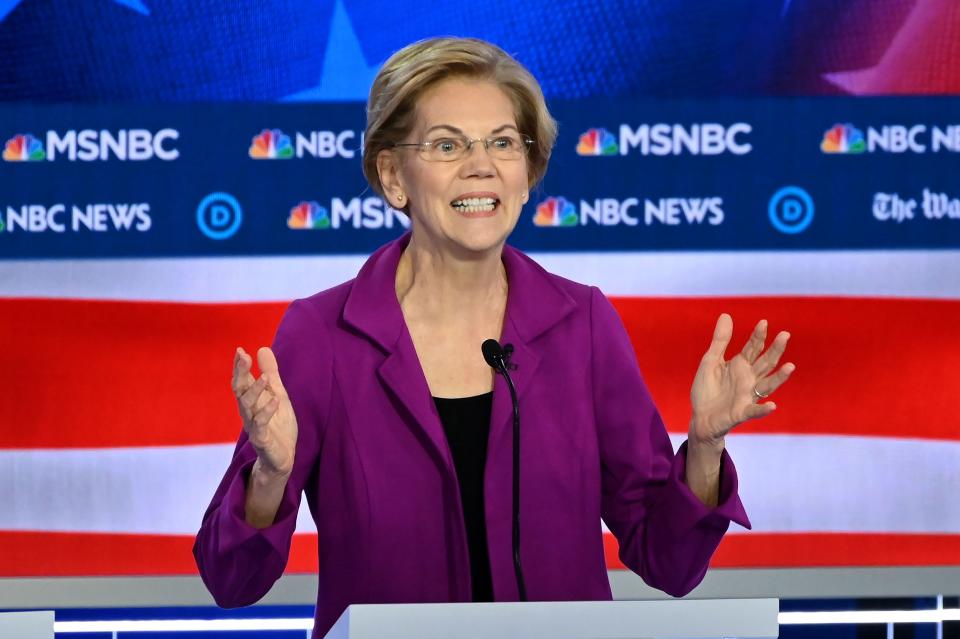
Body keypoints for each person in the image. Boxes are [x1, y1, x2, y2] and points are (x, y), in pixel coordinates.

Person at [193, 36, 795, 638]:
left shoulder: (581, 326)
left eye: (503, 143)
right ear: (393, 175)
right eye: (447, 144)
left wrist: (706, 447)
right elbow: (232, 580)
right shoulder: (324, 336)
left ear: (528, 174)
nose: (481, 164)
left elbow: (670, 564)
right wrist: (270, 474)